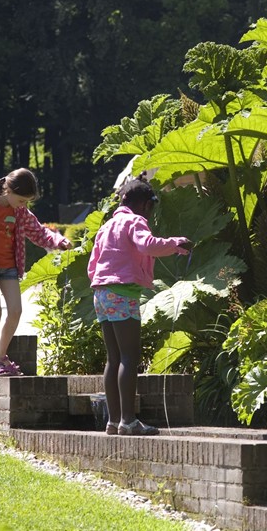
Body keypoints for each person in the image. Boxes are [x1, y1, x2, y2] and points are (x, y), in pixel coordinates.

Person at [87, 175, 190, 436]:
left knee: (113, 358)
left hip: (100, 293)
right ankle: (129, 422)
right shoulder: (135, 221)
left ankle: (113, 421)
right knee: (129, 357)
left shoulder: (107, 226)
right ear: (145, 205)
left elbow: (93, 264)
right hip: (122, 293)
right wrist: (176, 243)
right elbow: (147, 245)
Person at [0, 168, 71, 377]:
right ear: (7, 190)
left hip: (9, 267)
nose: (24, 205)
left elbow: (39, 232)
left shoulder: (19, 211)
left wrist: (59, 241)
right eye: (21, 200)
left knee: (16, 311)